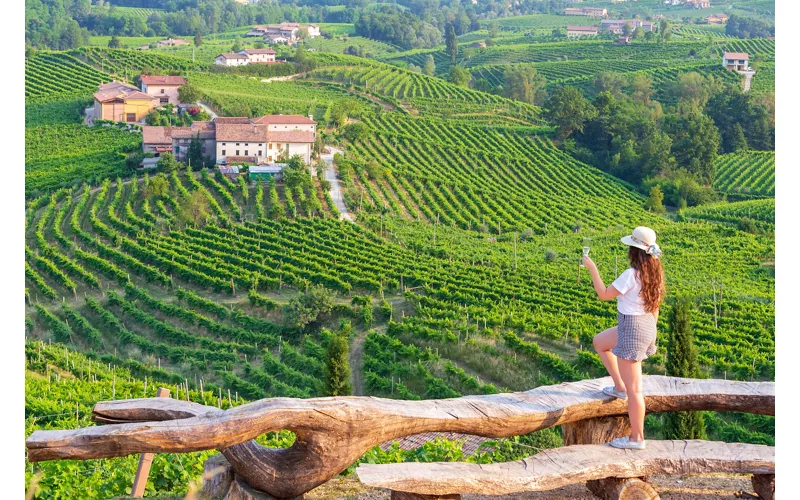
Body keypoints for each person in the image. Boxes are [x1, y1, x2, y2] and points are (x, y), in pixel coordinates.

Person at [582, 226, 665, 450]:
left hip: (632, 329)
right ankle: (619, 386)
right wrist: (652, 334)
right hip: (646, 325)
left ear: (634, 250)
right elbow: (655, 307)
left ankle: (637, 438)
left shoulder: (631, 275)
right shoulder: (654, 274)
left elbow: (604, 295)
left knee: (636, 391)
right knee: (600, 342)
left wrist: (593, 268)